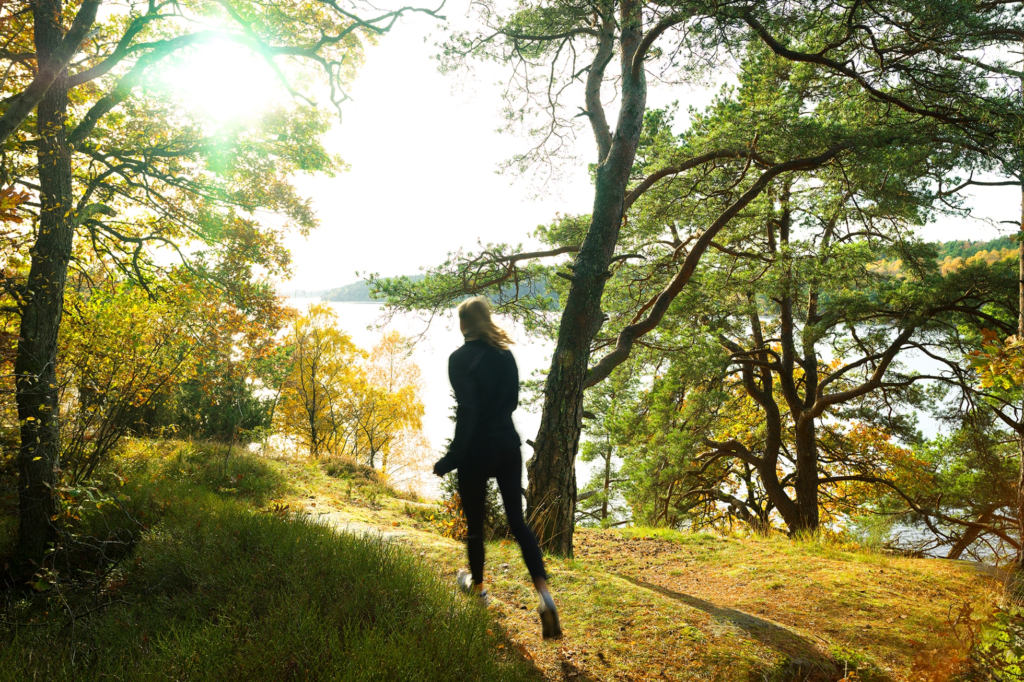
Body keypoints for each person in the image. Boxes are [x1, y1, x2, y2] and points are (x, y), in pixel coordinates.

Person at [432, 296, 562, 640]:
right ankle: (545, 597)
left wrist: (452, 458)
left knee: (475, 525)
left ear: (463, 325)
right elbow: (512, 402)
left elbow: (469, 411)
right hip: (507, 445)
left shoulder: (459, 359)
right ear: (486, 319)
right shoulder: (505, 354)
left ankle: (478, 590)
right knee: (518, 523)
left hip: (476, 452)